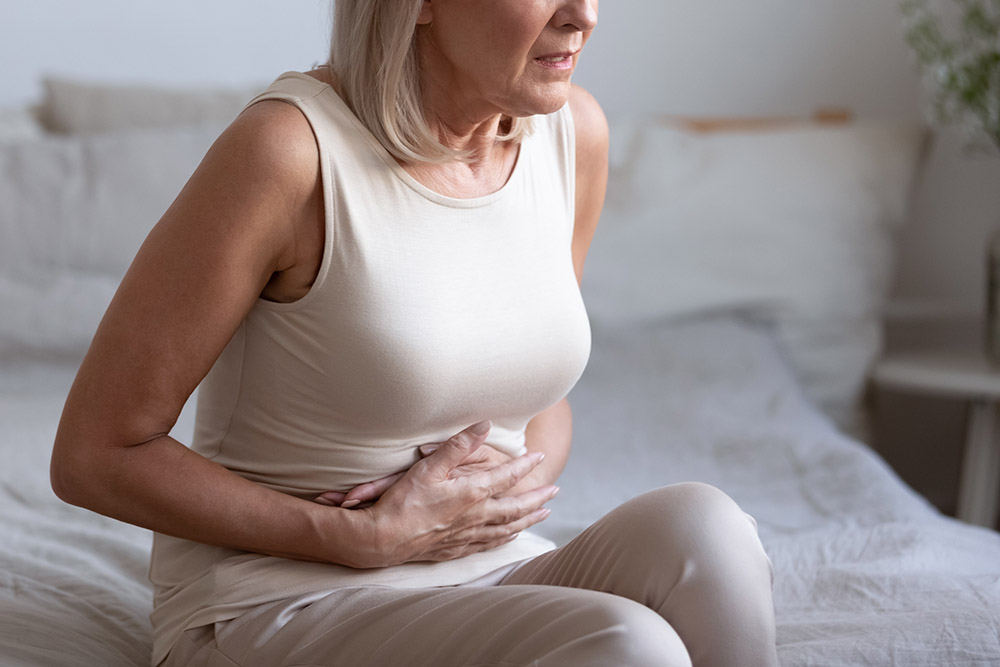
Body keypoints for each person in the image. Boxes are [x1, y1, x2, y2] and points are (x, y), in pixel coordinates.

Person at [50, 1, 779, 665]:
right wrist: (359, 536)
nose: (584, 15)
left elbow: (534, 397)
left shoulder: (571, 134)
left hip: (486, 567)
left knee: (708, 529)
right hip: (277, 600)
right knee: (630, 645)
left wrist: (486, 502)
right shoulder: (289, 152)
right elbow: (97, 451)